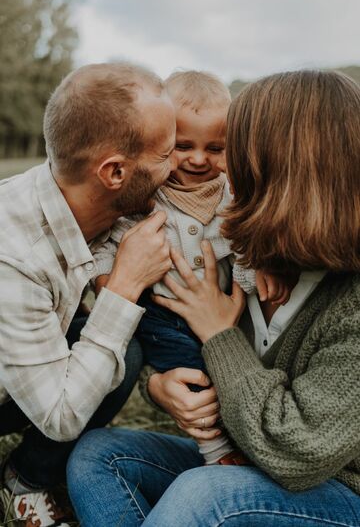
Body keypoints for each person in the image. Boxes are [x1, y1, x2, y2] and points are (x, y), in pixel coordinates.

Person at [67, 69, 360, 527]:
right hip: (245, 463)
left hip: (334, 489)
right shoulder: (248, 254)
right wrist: (161, 389)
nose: (218, 167)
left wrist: (220, 332)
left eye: (229, 150)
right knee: (97, 456)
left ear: (280, 168)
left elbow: (299, 452)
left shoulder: (352, 303)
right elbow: (181, 344)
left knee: (204, 496)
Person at [0, 62, 177, 526]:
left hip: (26, 357)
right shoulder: (14, 256)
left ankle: (24, 467)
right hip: (14, 390)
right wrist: (123, 286)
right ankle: (26, 482)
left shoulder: (92, 201)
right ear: (115, 172)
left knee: (126, 354)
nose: (176, 165)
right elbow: (60, 416)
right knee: (104, 354)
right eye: (166, 154)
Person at [94, 70, 290, 467]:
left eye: (214, 148)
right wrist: (104, 278)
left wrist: (260, 266)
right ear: (161, 141)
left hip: (221, 312)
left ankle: (250, 437)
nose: (199, 159)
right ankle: (216, 450)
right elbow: (108, 238)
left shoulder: (234, 196)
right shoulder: (148, 195)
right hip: (162, 314)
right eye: (183, 146)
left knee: (233, 368)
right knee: (195, 374)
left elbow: (244, 241)